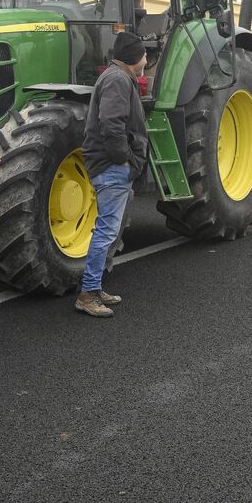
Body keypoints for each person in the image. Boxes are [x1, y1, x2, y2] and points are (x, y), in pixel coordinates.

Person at [77, 31, 149, 317]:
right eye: (144, 55)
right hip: (112, 167)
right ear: (134, 59)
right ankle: (88, 293)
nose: (146, 59)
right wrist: (126, 161)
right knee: (106, 231)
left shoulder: (116, 77)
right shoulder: (119, 80)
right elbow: (111, 125)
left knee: (108, 230)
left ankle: (95, 288)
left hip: (112, 167)